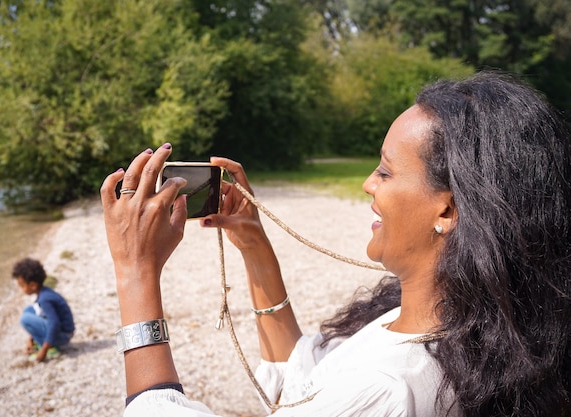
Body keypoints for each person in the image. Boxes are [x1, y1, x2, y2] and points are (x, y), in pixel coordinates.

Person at [100, 72, 571, 416]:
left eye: (385, 171)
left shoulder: (386, 389)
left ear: (447, 211)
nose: (369, 184)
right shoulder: (469, 331)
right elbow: (304, 382)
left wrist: (135, 273)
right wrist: (254, 245)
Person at [12, 257, 75, 362]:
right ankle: (41, 342)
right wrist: (31, 339)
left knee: (25, 319)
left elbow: (54, 322)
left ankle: (51, 348)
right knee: (29, 310)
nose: (21, 289)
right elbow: (41, 314)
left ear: (32, 285)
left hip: (64, 335)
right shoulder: (44, 293)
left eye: (22, 286)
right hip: (62, 332)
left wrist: (44, 349)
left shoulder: (44, 299)